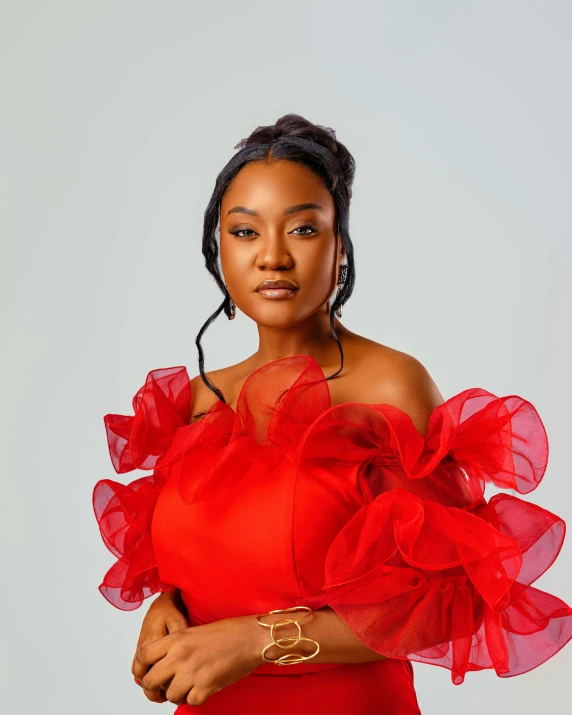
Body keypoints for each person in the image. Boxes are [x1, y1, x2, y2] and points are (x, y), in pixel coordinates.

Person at [92, 114, 572, 714]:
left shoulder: (391, 385)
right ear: (218, 249)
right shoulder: (196, 402)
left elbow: (447, 601)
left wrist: (257, 641)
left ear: (339, 246)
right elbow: (215, 560)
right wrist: (170, 606)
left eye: (301, 228)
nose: (272, 256)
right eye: (244, 232)